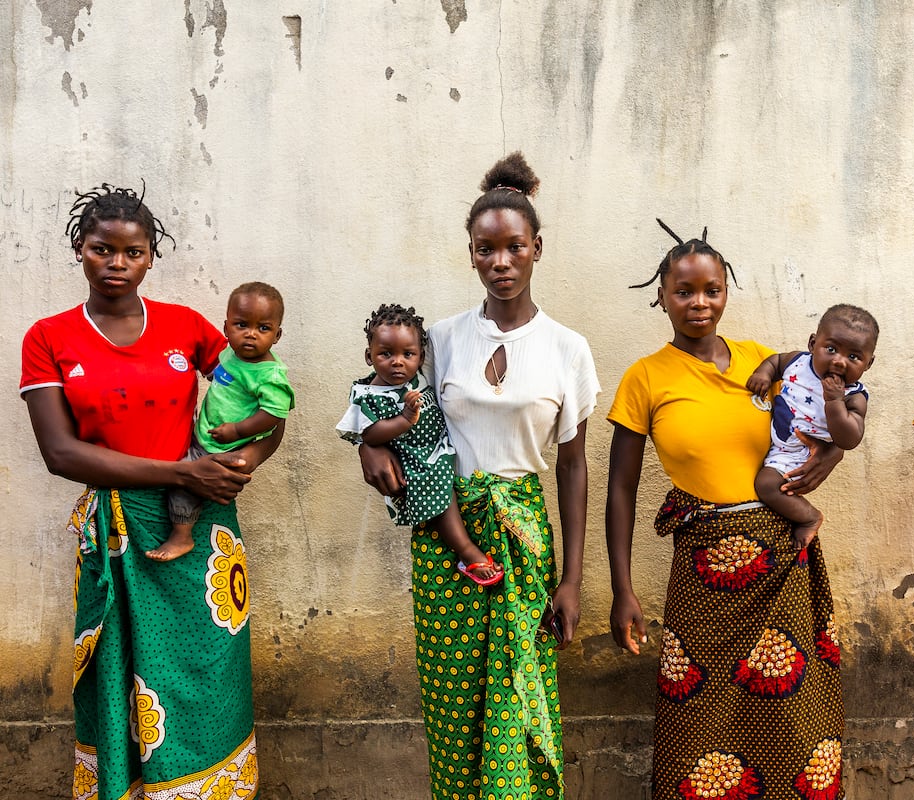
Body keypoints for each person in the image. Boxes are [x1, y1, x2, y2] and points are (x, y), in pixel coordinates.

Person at [20, 184, 281, 800]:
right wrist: (180, 475)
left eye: (132, 252)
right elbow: (61, 453)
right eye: (101, 249)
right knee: (117, 672)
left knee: (205, 674)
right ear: (79, 251)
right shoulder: (50, 338)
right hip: (116, 527)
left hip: (203, 537)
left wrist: (234, 465)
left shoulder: (186, 328)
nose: (116, 263)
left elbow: (265, 400)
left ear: (150, 257)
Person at [358, 153, 599, 800]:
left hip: (522, 536)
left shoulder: (567, 349)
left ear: (536, 249)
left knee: (521, 706)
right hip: (446, 534)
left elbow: (573, 467)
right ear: (471, 254)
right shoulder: (440, 339)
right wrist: (366, 450)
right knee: (453, 705)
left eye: (513, 247)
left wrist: (573, 577)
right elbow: (385, 402)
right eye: (485, 248)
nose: (500, 261)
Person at [606, 220, 847, 800]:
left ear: (726, 292)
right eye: (683, 291)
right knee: (699, 723)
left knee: (794, 719)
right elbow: (620, 488)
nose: (698, 303)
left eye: (711, 289)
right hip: (703, 571)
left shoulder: (767, 362)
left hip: (783, 554)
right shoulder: (644, 378)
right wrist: (622, 588)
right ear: (660, 296)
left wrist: (832, 455)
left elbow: (838, 398)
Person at [337, 302, 501, 584]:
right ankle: (466, 551)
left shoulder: (417, 377)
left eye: (407, 354)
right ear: (369, 356)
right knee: (438, 489)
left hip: (438, 449)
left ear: (421, 356)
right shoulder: (370, 394)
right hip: (417, 461)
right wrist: (404, 419)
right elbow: (369, 434)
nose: (397, 362)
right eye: (386, 354)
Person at [153, 281, 295, 562]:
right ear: (226, 328)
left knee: (185, 484)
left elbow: (275, 414)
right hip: (206, 435)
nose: (251, 335)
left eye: (263, 328)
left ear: (277, 335)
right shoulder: (230, 355)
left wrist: (237, 430)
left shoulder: (270, 375)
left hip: (223, 448)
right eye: (242, 325)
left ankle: (182, 536)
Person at [746, 304, 877, 548]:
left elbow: (850, 440)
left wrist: (835, 401)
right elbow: (775, 362)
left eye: (853, 357)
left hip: (803, 456)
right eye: (831, 349)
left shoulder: (854, 396)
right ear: (812, 344)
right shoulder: (797, 362)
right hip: (780, 442)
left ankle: (809, 518)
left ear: (868, 364)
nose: (839, 362)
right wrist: (763, 374)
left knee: (767, 485)